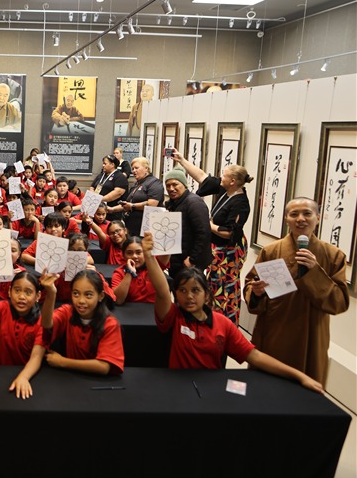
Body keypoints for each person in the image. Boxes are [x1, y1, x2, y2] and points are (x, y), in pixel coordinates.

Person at [145, 232, 323, 393]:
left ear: (207, 295)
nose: (189, 296)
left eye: (195, 290)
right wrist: (149, 256)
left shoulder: (223, 324)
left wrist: (299, 376)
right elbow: (162, 291)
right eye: (182, 291)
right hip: (177, 389)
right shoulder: (174, 317)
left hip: (211, 391)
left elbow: (255, 356)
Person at [243, 198, 349, 385]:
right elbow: (251, 286)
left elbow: (339, 303)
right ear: (286, 219)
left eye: (307, 213)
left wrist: (314, 272)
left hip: (312, 337)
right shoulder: (271, 251)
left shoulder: (333, 255)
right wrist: (256, 293)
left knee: (307, 393)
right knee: (268, 388)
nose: (300, 219)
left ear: (318, 218)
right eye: (294, 214)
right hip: (276, 332)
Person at [172, 151, 252, 324]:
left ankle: (224, 323)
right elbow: (202, 177)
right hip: (217, 246)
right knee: (212, 285)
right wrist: (182, 160)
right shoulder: (226, 190)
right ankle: (210, 317)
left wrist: (207, 224)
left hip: (229, 251)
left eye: (224, 175)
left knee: (224, 288)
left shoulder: (241, 203)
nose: (220, 178)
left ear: (233, 181)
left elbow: (229, 232)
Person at [0, 256, 59, 399]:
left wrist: (24, 377)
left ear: (38, 296)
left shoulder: (42, 321)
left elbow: (36, 357)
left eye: (28, 292)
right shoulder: (4, 309)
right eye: (17, 290)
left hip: (28, 375)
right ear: (9, 292)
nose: (22, 296)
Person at [42, 270, 124, 375]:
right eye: (76, 294)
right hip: (70, 378)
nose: (81, 300)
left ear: (101, 296)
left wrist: (62, 362)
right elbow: (46, 323)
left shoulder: (110, 324)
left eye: (88, 295)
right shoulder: (67, 312)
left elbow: (104, 367)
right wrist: (51, 293)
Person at [163, 166, 212, 279]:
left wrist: (192, 259)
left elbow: (203, 233)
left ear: (184, 185)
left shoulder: (194, 203)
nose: (171, 188)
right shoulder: (173, 203)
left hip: (189, 262)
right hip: (176, 260)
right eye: (168, 185)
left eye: (175, 184)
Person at [112, 156, 163, 237]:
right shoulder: (136, 184)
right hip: (131, 228)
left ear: (146, 168)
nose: (134, 171)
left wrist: (132, 206)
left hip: (145, 229)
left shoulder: (154, 183)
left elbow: (152, 204)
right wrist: (111, 209)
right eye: (132, 169)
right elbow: (127, 204)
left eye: (136, 168)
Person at [111, 236, 169, 305]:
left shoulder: (153, 266)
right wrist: (129, 272)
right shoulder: (119, 272)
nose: (134, 256)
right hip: (130, 310)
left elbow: (167, 249)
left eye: (138, 252)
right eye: (129, 253)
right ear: (123, 255)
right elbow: (118, 300)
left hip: (154, 309)